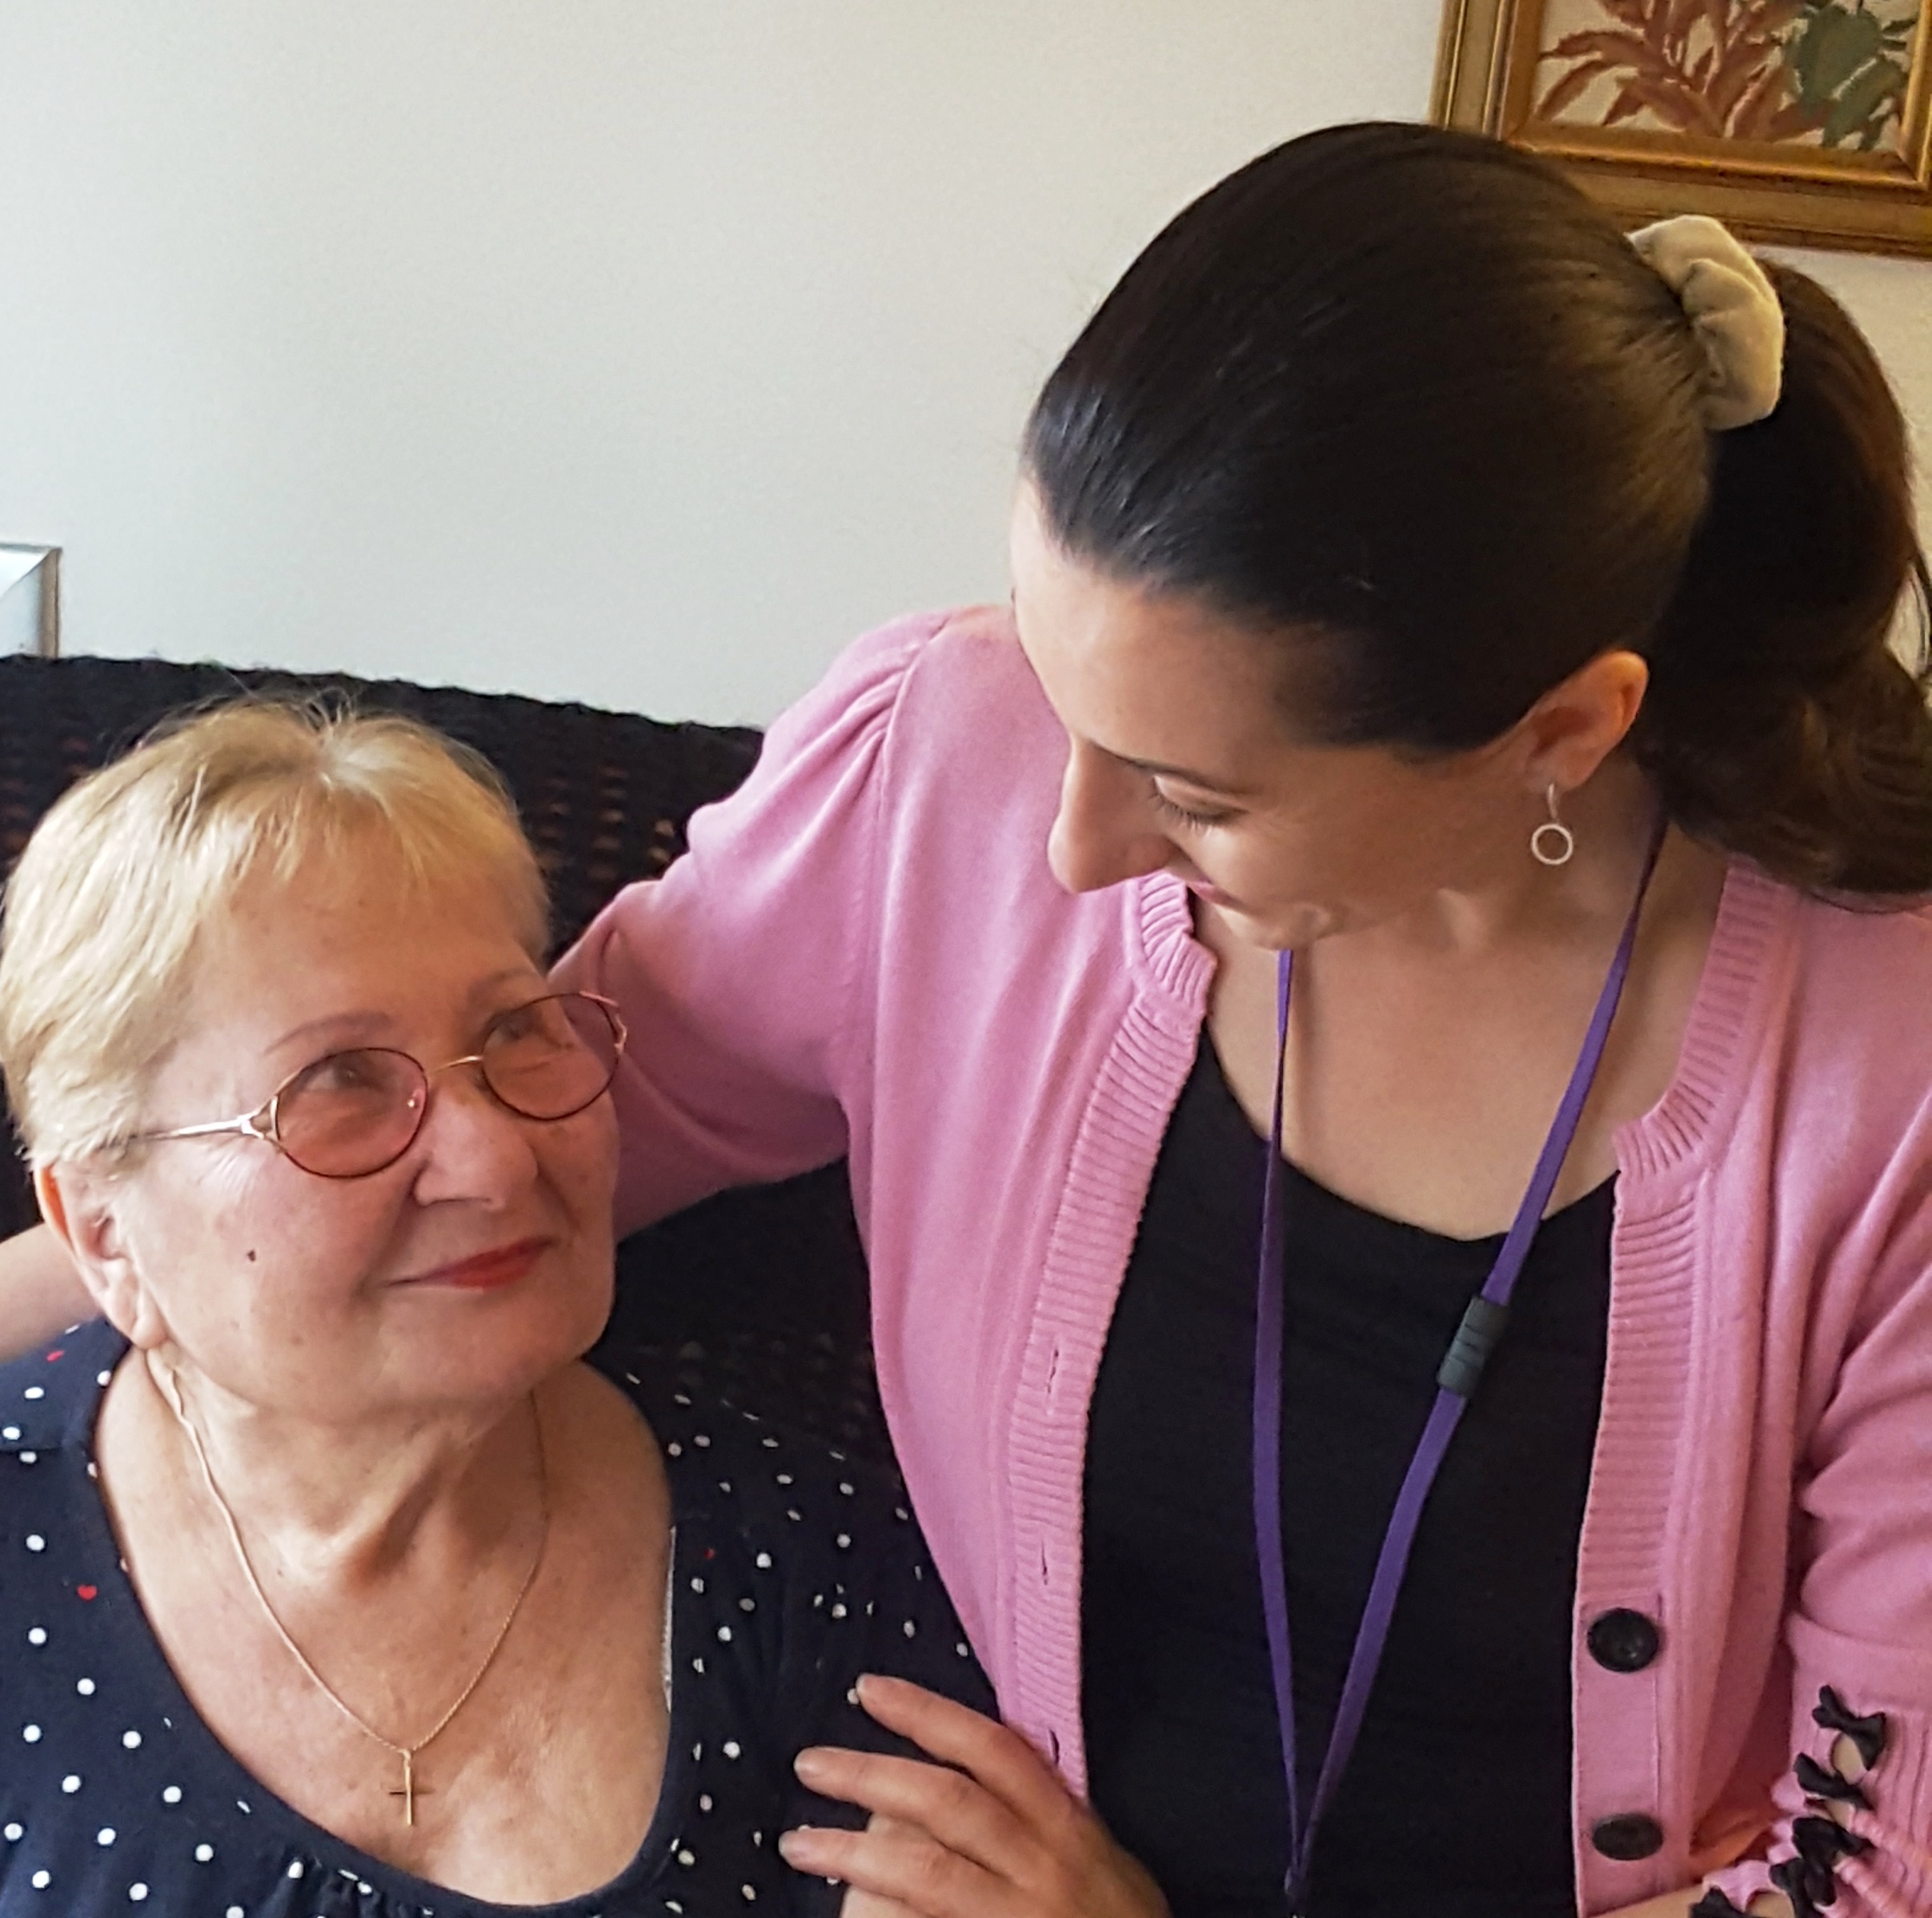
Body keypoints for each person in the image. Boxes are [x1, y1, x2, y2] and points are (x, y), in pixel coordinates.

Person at [2, 120, 1929, 1918]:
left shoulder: (1887, 1073)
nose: (1071, 842)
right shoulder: (943, 766)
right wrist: (94, 1235)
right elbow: (479, 1153)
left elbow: (1869, 1865)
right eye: (1054, 683)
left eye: (1194, 791)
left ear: (1557, 733)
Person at [0, 702, 995, 1916]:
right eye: (341, 1084)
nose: (498, 1162)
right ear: (104, 1227)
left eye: (517, 1033)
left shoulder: (820, 1575)